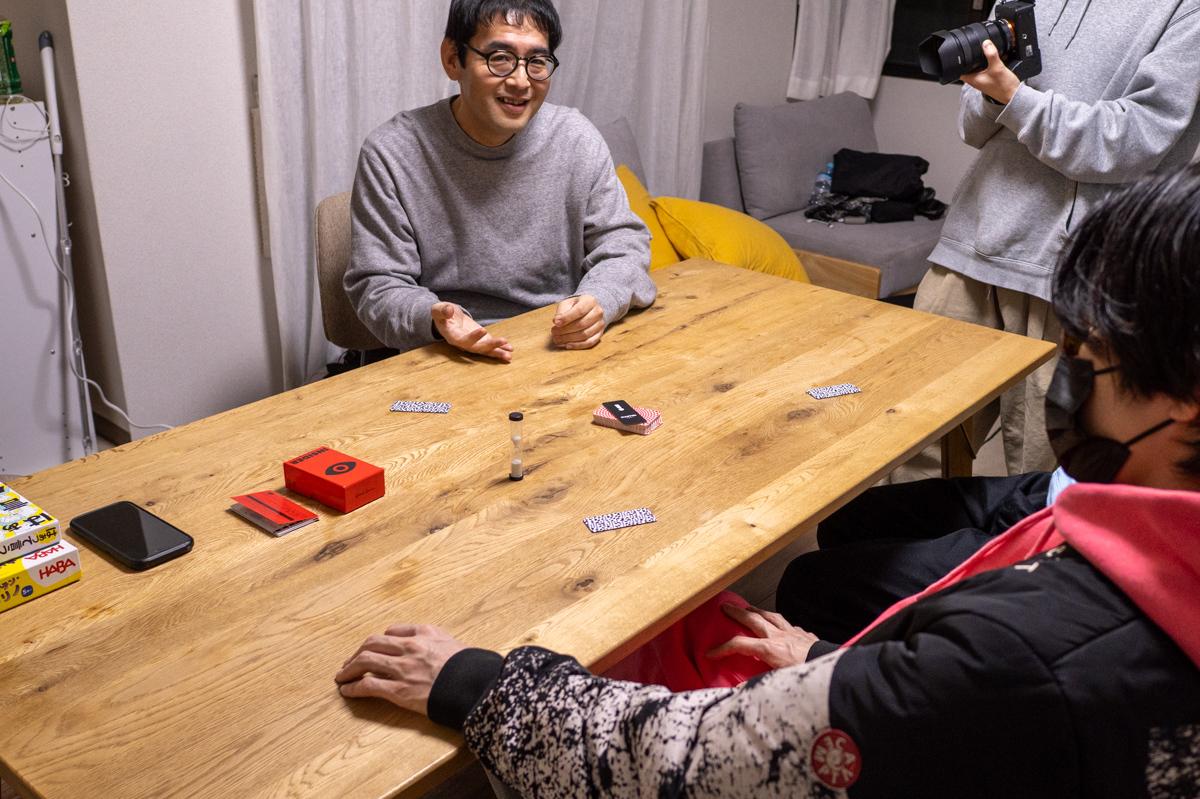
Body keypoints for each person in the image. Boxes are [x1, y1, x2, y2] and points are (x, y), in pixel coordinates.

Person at [336, 164, 1200, 796]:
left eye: (1090, 356)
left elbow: (679, 761)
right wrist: (833, 665)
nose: (1068, 377)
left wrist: (475, 682)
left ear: (1184, 405)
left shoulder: (1020, 655)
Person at [912, 0, 1200, 477]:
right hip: (971, 245)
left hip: (1068, 275)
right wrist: (995, 95)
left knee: (1043, 474)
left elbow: (1132, 141)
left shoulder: (1187, 11)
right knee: (906, 440)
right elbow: (971, 126)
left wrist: (1015, 98)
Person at [344, 0, 656, 363]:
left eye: (537, 61)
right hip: (447, 355)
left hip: (559, 344)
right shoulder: (392, 152)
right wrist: (434, 319)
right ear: (452, 59)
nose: (521, 81)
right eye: (500, 58)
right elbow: (378, 284)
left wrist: (598, 299)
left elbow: (624, 244)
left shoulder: (576, 138)